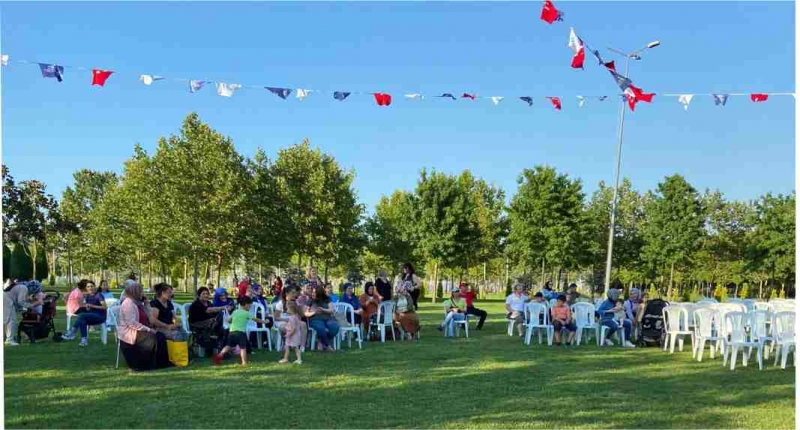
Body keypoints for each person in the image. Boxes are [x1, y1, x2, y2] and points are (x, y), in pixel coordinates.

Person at [117, 281, 171, 371]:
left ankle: (161, 363)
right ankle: (146, 365)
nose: (143, 293)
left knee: (160, 336)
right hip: (130, 332)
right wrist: (149, 330)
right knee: (152, 338)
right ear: (135, 292)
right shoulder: (128, 303)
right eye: (141, 291)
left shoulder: (138, 303)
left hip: (139, 329)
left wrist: (147, 304)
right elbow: (132, 323)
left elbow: (149, 318)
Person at [213, 296, 270, 366]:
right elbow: (256, 320)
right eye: (249, 306)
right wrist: (265, 321)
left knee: (228, 346)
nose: (250, 308)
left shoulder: (235, 312)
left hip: (231, 332)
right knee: (243, 348)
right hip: (240, 333)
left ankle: (219, 356)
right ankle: (244, 362)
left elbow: (229, 320)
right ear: (246, 305)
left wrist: (233, 321)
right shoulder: (246, 313)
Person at [61, 281, 107, 346]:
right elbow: (88, 307)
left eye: (92, 286)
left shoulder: (98, 295)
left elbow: (105, 307)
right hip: (92, 316)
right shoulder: (87, 296)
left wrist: (92, 306)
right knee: (82, 319)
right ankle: (84, 341)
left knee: (81, 315)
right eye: (88, 287)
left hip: (100, 317)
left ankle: (72, 332)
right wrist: (88, 307)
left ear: (95, 287)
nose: (90, 288)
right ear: (86, 288)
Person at [3, 280, 44, 346]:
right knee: (11, 320)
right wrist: (35, 304)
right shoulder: (24, 288)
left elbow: (21, 298)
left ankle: (6, 338)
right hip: (7, 301)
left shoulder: (22, 286)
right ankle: (9, 340)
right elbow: (21, 302)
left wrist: (30, 300)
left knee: (5, 320)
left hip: (5, 299)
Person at [305, 285, 340, 351]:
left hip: (328, 318)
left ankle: (322, 341)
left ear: (320, 294)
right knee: (321, 328)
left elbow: (332, 310)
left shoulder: (327, 299)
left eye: (314, 292)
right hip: (315, 319)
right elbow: (306, 313)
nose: (312, 293)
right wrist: (314, 312)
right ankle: (327, 346)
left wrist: (323, 309)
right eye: (312, 292)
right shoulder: (310, 301)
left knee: (335, 327)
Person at [278, 300, 304, 364]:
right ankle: (298, 359)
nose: (286, 310)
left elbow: (293, 328)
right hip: (296, 334)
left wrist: (288, 335)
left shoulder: (292, 318)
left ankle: (286, 359)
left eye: (287, 309)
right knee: (293, 347)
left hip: (292, 335)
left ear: (291, 310)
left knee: (290, 347)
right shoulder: (296, 316)